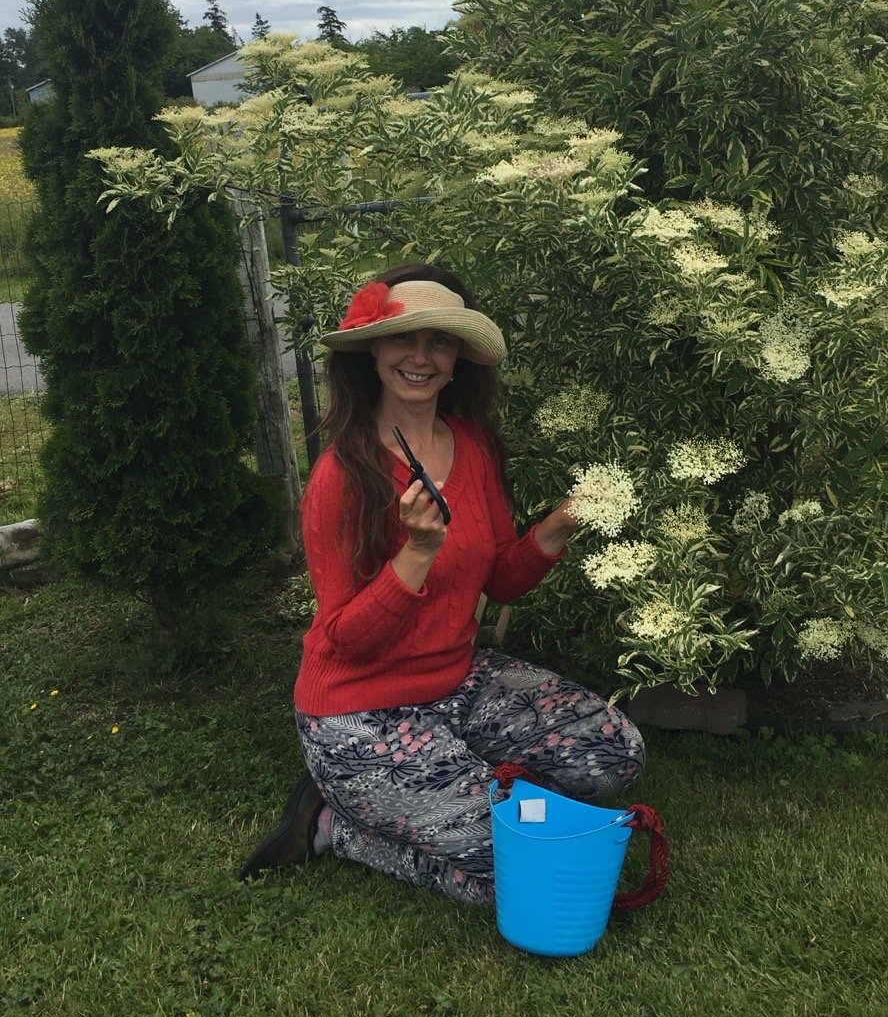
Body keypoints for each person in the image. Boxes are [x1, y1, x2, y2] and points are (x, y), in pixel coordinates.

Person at [240, 263, 646, 905]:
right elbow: (346, 641)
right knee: (513, 867)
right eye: (405, 338)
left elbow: (502, 580)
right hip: (359, 707)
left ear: (459, 361)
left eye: (440, 342)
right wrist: (417, 554)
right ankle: (335, 824)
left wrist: (561, 525)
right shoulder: (341, 477)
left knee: (614, 752)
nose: (420, 357)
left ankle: (450, 775)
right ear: (373, 350)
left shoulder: (473, 446)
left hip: (458, 683)